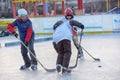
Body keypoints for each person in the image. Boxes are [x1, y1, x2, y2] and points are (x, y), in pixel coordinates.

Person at [53, 8, 84, 74]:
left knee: (76, 42)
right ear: (65, 15)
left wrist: (75, 29)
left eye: (70, 16)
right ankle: (64, 67)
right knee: (67, 52)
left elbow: (75, 28)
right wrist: (81, 25)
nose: (69, 17)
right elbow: (56, 25)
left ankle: (80, 52)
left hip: (67, 34)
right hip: (66, 35)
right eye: (67, 16)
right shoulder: (62, 20)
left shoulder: (72, 19)